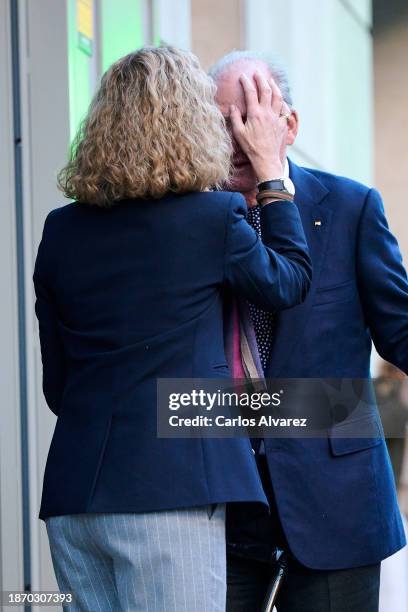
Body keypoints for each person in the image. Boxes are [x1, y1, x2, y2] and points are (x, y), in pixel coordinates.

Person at [33, 47, 311, 611]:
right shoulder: (211, 220)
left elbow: (57, 389)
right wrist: (275, 178)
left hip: (73, 499)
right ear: (193, 124)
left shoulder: (60, 231)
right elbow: (288, 281)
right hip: (174, 492)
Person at [209, 50, 408, 612]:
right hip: (223, 505)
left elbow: (400, 329)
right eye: (221, 123)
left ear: (288, 126)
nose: (235, 139)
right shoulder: (194, 219)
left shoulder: (351, 207)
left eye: (249, 120)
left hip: (335, 503)